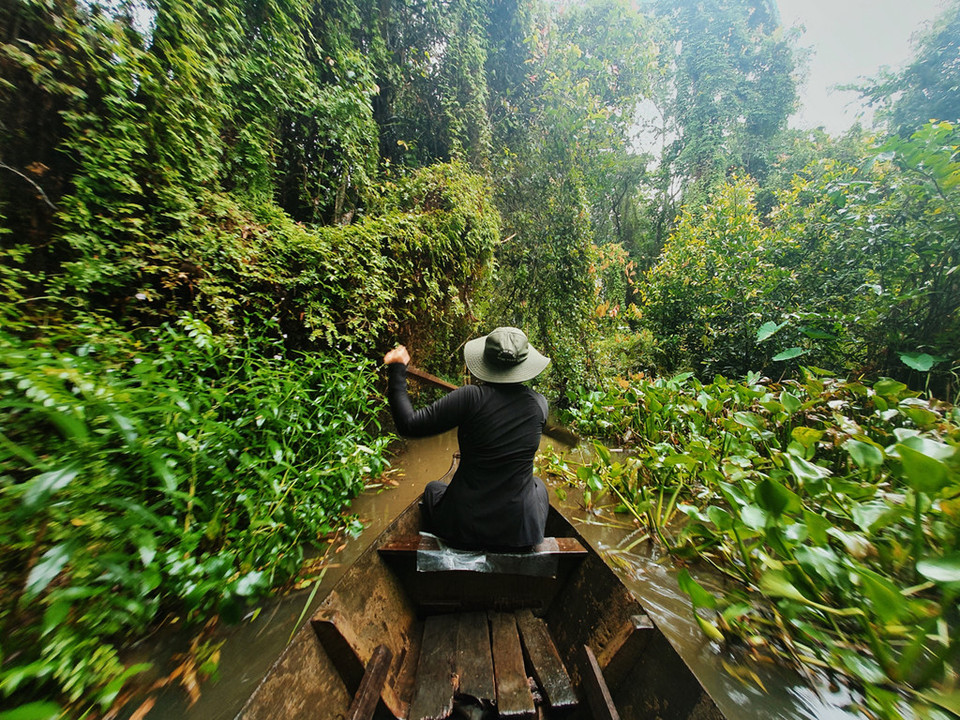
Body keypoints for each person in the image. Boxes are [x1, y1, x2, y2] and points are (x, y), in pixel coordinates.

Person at [383, 327, 551, 551]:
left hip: (463, 527)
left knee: (433, 488)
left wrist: (397, 370)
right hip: (519, 530)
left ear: (486, 361)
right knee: (538, 486)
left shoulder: (470, 397)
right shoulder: (539, 404)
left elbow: (409, 424)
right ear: (523, 365)